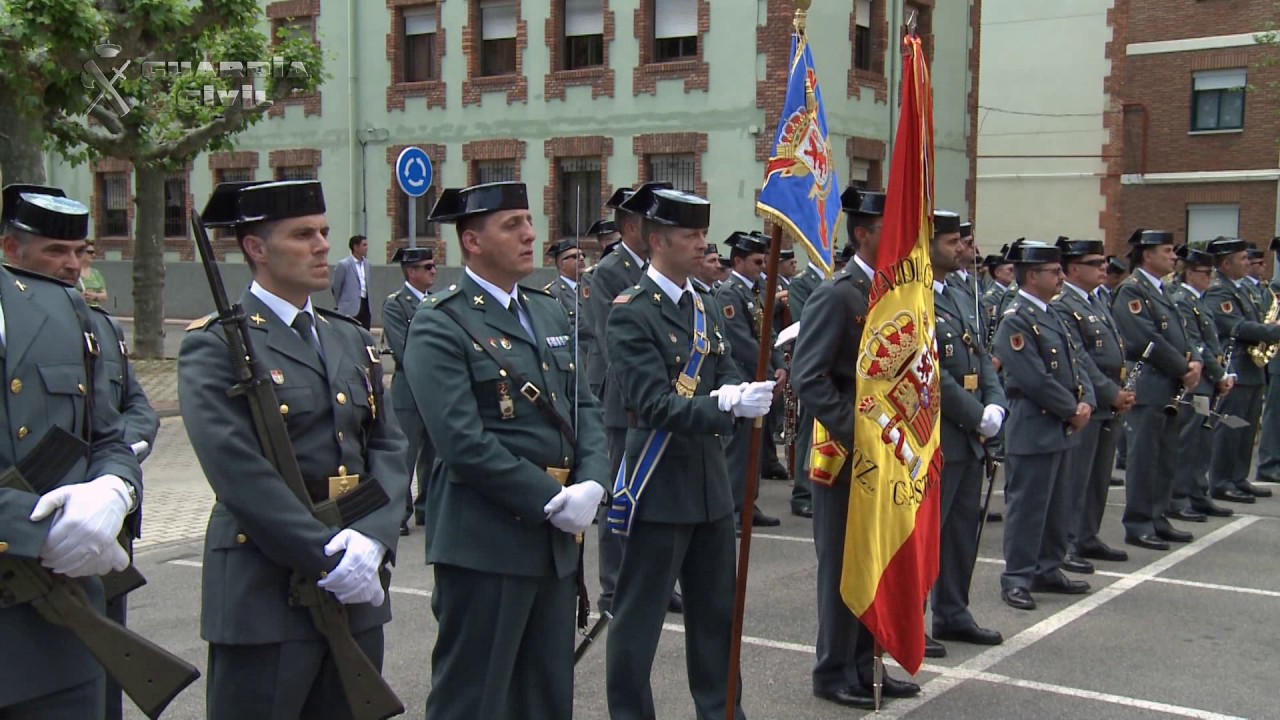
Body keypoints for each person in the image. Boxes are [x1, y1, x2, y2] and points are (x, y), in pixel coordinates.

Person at [179, 180, 409, 718]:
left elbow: (389, 446)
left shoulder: (347, 336)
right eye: (303, 234)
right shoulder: (215, 344)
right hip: (265, 593)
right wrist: (325, 555)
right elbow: (238, 472)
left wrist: (372, 542)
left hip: (356, 585)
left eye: (325, 232)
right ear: (256, 248)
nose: (322, 245)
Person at [402, 181, 607, 720]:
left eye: (529, 221)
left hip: (554, 545)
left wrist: (592, 481)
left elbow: (583, 407)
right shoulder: (440, 321)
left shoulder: (546, 311)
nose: (530, 234)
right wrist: (552, 498)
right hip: (485, 541)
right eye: (511, 224)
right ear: (471, 240)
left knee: (545, 696)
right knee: (474, 697)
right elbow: (461, 443)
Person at [604, 183, 766, 720]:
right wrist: (725, 407)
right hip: (658, 486)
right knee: (638, 621)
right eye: (690, 235)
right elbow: (651, 404)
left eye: (703, 233)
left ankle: (723, 713)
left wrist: (741, 392)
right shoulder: (632, 312)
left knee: (718, 618)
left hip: (709, 489)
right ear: (657, 241)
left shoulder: (706, 305)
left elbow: (726, 372)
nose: (702, 244)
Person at [1, 183, 159, 720]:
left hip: (91, 549)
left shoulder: (92, 326)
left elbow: (123, 418)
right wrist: (32, 525)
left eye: (80, 252)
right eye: (55, 252)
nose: (72, 265)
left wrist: (115, 485)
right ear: (10, 251)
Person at [791, 189, 920, 709]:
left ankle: (869, 663)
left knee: (876, 560)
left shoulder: (896, 292)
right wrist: (861, 430)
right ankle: (833, 670)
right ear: (863, 234)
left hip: (890, 452)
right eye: (890, 230)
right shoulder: (838, 294)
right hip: (847, 456)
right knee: (843, 565)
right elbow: (810, 377)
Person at [582, 182, 682, 615]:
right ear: (630, 226)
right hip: (625, 400)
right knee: (621, 491)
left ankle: (656, 581)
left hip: (663, 396)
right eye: (650, 221)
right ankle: (614, 585)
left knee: (657, 492)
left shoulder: (663, 267)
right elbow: (611, 341)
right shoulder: (609, 271)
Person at [992, 240, 1095, 610]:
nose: (1061, 277)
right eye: (1054, 272)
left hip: (1061, 426)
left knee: (1057, 505)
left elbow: (1076, 362)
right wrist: (1071, 409)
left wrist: (1087, 401)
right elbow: (1033, 379)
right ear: (1032, 276)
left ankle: (1048, 567)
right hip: (1035, 426)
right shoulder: (1016, 318)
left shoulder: (1052, 314)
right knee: (1029, 506)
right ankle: (1017, 576)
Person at [928, 210, 1006, 649]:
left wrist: (996, 403)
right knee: (927, 535)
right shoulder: (914, 296)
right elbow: (928, 372)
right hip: (938, 433)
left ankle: (953, 612)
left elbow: (981, 355)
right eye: (952, 241)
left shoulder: (958, 293)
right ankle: (913, 618)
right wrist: (975, 414)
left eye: (962, 240)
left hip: (970, 436)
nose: (962, 248)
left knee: (960, 534)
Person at [1111, 229, 1202, 550]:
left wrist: (1194, 363)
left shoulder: (1163, 290)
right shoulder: (1131, 291)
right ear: (1147, 255)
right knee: (1144, 457)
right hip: (1148, 384)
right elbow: (1143, 339)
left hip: (1169, 386)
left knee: (1165, 457)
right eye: (1167, 251)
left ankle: (1157, 515)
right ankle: (1138, 522)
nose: (1174, 256)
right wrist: (1181, 367)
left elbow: (1182, 333)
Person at [1051, 238, 1135, 572]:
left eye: (1103, 263)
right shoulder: (1063, 304)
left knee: (1099, 475)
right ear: (1073, 269)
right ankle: (1068, 540)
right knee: (1076, 476)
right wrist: (1107, 391)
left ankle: (1087, 535)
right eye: (1095, 263)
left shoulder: (1098, 299)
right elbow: (1079, 358)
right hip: (1089, 401)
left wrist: (1122, 390)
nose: (1104, 268)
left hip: (1110, 401)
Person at [713, 230, 786, 529]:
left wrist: (780, 365)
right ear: (738, 261)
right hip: (745, 379)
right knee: (740, 449)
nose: (762, 266)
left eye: (764, 260)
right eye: (757, 261)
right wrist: (768, 371)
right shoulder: (730, 293)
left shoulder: (758, 291)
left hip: (762, 377)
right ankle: (731, 510)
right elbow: (741, 341)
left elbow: (769, 334)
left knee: (755, 445)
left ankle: (748, 504)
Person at [1205, 236, 1280, 503]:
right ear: (1226, 263)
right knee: (1230, 427)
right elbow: (1234, 326)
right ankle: (1222, 480)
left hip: (1253, 368)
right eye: (1243, 259)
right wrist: (1273, 331)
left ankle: (1238, 477)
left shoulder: (1244, 289)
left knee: (1247, 429)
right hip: (1235, 364)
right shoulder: (1218, 291)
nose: (1248, 263)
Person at [1167, 245, 1234, 520]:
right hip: (1199, 381)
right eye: (1206, 273)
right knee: (1188, 441)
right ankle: (1178, 497)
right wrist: (1219, 374)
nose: (1210, 278)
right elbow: (1196, 344)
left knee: (1202, 440)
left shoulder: (1199, 300)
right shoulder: (1183, 300)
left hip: (1208, 381)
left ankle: (1197, 492)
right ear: (1190, 273)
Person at [383, 246, 438, 535]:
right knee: (405, 455)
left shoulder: (435, 302)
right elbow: (404, 351)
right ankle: (398, 513)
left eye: (433, 266)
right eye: (427, 267)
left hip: (433, 390)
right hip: (409, 389)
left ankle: (427, 509)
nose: (433, 271)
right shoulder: (396, 304)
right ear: (411, 271)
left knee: (432, 453)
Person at [543, 238, 586, 326]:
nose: (581, 258)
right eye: (575, 256)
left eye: (583, 255)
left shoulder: (590, 286)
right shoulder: (553, 293)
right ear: (561, 263)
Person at [332, 234, 372, 328]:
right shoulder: (344, 264)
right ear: (355, 247)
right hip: (349, 308)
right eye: (364, 245)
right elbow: (336, 286)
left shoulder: (367, 264)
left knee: (364, 335)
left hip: (365, 305)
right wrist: (342, 303)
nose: (367, 248)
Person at [77, 240, 108, 307]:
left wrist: (94, 296)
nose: (93, 255)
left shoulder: (96, 273)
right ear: (81, 253)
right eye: (90, 252)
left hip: (94, 311)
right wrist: (79, 296)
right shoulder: (73, 272)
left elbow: (105, 296)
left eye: (94, 252)